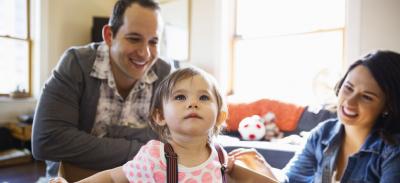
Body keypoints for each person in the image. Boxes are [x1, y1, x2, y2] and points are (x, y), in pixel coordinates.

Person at [31, 0, 173, 178]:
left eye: (153, 42)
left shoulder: (164, 74)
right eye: (134, 38)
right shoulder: (76, 63)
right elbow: (46, 141)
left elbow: (172, 143)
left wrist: (106, 137)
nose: (145, 53)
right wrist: (141, 148)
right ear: (109, 35)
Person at [230, 50, 400, 182]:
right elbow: (291, 180)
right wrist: (262, 168)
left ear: (387, 106)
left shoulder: (393, 151)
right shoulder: (323, 133)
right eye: (348, 88)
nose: (350, 101)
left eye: (367, 97)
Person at [49, 66, 229, 183]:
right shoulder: (155, 157)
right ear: (160, 116)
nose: (193, 103)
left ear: (220, 117)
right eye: (180, 97)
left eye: (204, 97)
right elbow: (112, 178)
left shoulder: (222, 158)